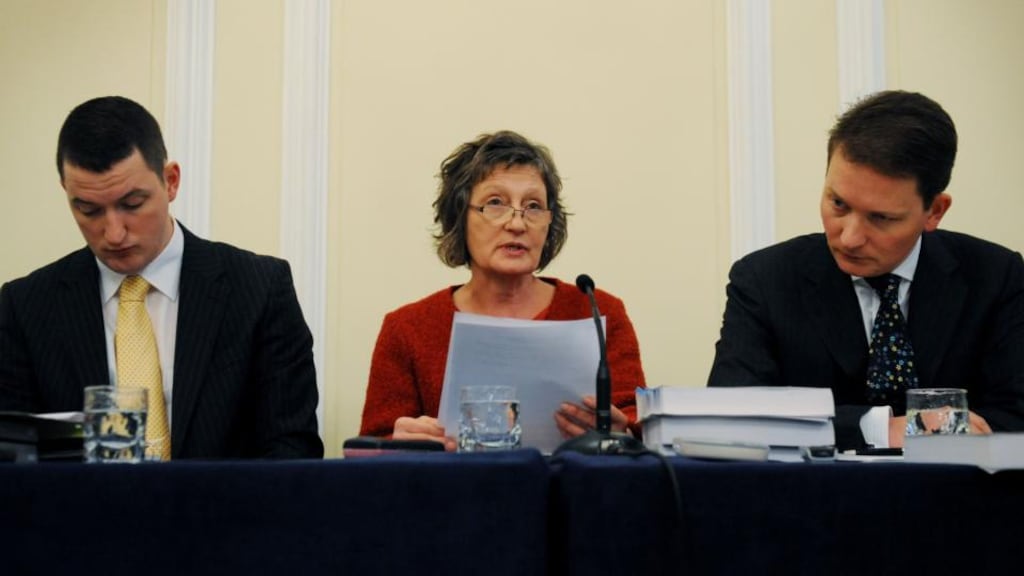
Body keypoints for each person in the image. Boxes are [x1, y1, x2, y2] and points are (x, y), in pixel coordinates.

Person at [0, 96, 323, 459]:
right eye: (88, 210)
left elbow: (292, 451)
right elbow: (14, 464)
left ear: (170, 181)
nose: (114, 233)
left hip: (227, 513)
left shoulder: (260, 289)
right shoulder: (26, 307)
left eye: (132, 204)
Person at [708, 90, 1024, 450]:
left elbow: (1015, 418)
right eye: (838, 204)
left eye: (881, 218)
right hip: (812, 499)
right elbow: (732, 414)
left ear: (935, 210)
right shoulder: (765, 279)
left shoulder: (996, 276)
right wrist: (878, 428)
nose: (851, 237)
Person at [359, 130, 646, 450]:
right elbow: (369, 450)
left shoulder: (597, 311)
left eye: (534, 206)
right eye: (495, 203)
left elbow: (636, 426)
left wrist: (625, 434)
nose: (517, 223)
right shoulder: (407, 328)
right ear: (459, 217)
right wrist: (397, 443)